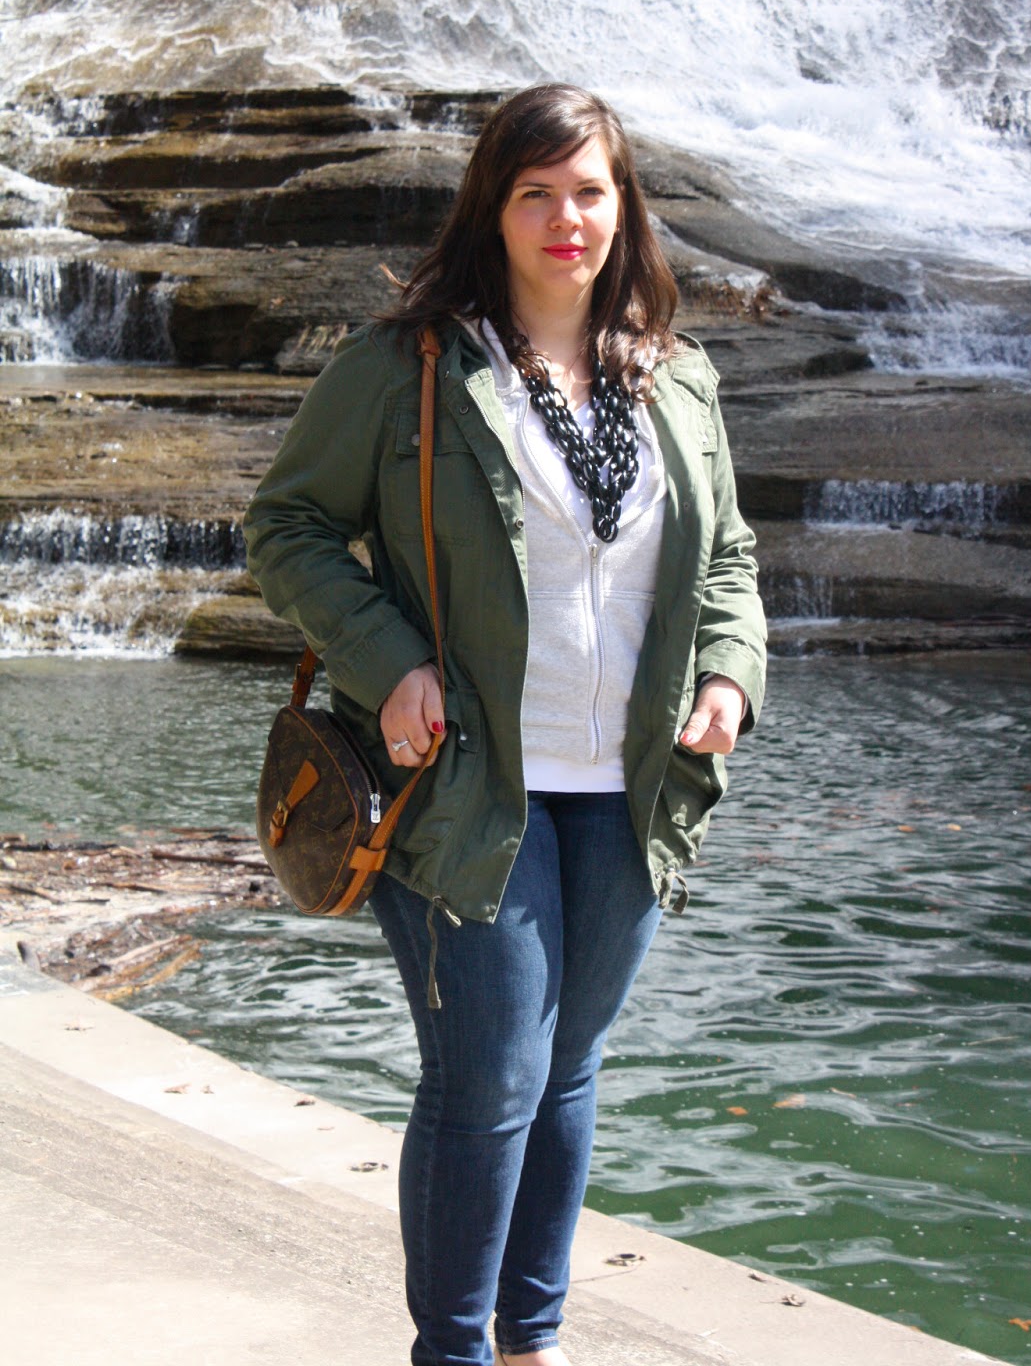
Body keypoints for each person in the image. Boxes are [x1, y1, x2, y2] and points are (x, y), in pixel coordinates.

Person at [243, 83, 767, 1366]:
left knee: (567, 1064)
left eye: (588, 191)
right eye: (536, 192)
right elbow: (286, 526)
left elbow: (727, 560)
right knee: (489, 1078)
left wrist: (729, 673)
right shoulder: (407, 366)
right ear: (493, 206)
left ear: (623, 208)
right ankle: (454, 1351)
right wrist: (389, 661)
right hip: (467, 781)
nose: (564, 218)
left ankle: (533, 1340)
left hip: (635, 781)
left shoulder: (676, 378)